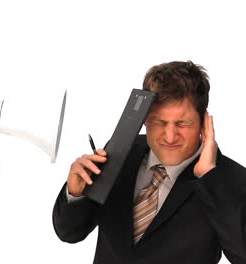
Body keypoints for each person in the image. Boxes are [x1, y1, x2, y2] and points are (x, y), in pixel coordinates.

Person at [52, 61, 246, 263]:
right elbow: (69, 233)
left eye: (182, 123)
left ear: (204, 122)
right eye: (159, 122)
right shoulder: (121, 151)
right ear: (144, 118)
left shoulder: (233, 180)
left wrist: (209, 179)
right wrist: (75, 194)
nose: (170, 137)